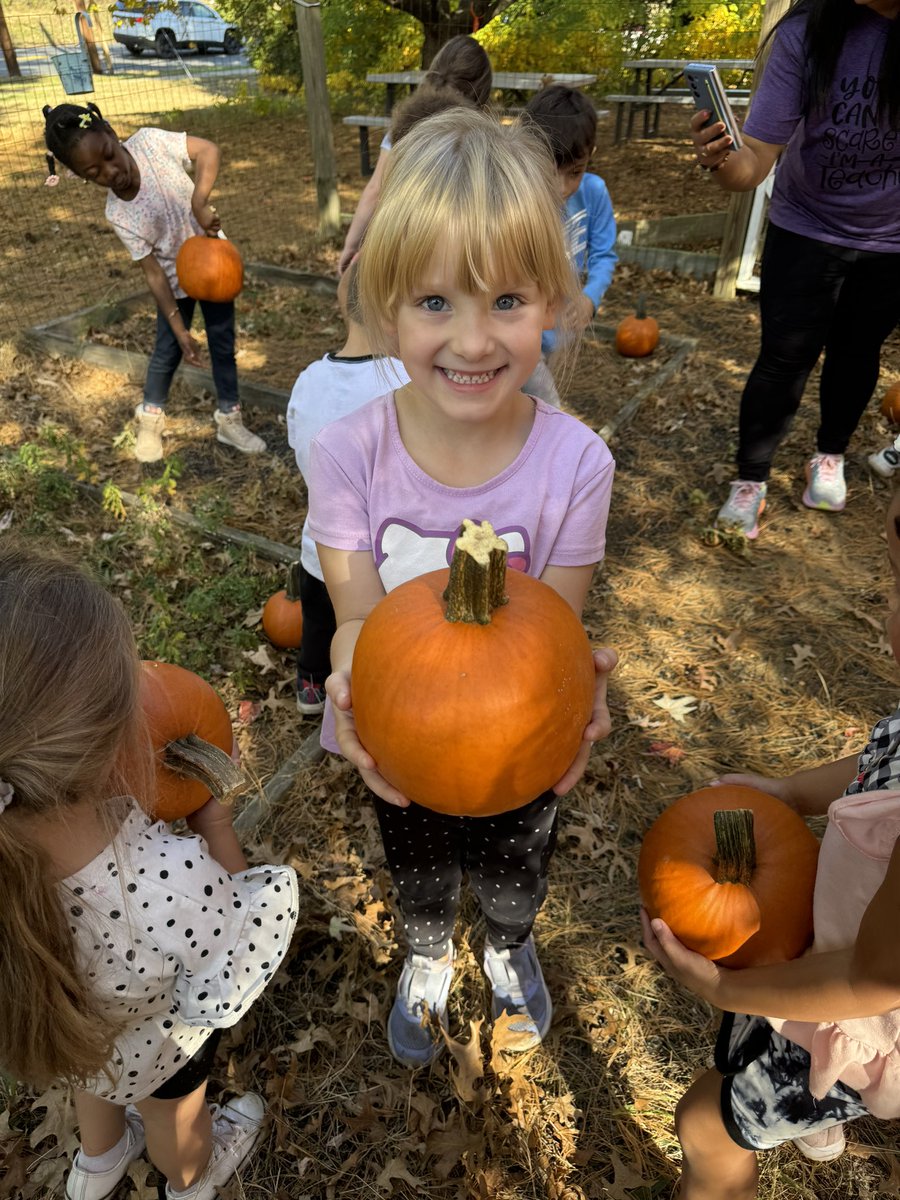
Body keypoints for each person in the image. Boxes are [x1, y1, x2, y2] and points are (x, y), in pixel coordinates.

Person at [307, 106, 618, 1069]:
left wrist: (578, 701)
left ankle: (511, 941)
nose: (473, 341)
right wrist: (354, 699)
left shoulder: (577, 463)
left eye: (509, 302)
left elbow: (554, 629)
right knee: (421, 865)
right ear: (388, 303)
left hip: (520, 739)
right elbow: (355, 613)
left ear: (556, 304)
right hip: (394, 732)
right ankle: (431, 950)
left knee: (518, 864)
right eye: (436, 303)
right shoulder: (348, 453)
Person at [0, 541, 299, 1200]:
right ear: (115, 747)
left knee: (93, 1081)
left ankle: (99, 1161)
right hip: (156, 1046)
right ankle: (192, 1178)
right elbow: (236, 943)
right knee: (175, 1107)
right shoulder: (168, 880)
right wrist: (214, 823)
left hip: (75, 1040)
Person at [642, 487, 900, 1198]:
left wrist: (724, 986)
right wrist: (789, 794)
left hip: (864, 1023)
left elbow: (868, 981)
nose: (890, 608)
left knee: (703, 1123)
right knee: (751, 1035)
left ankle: (818, 1099)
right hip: (824, 965)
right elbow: (877, 759)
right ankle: (814, 1121)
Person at [692, 0, 900, 539]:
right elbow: (755, 157)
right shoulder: (807, 32)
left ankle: (828, 455)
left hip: (890, 242)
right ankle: (751, 480)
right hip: (805, 228)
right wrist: (723, 159)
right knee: (783, 358)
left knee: (858, 354)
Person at [42, 102, 266, 464]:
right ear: (82, 178)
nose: (111, 172)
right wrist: (179, 327)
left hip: (214, 268)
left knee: (223, 346)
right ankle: (150, 417)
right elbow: (153, 273)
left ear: (113, 134)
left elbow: (208, 150)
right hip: (175, 287)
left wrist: (199, 200)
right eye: (95, 172)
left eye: (110, 156)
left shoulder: (151, 143)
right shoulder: (118, 213)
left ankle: (229, 417)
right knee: (168, 351)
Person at [286, 262, 409, 715]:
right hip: (388, 553)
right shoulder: (408, 383)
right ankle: (376, 691)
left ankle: (312, 685)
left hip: (320, 544)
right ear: (396, 310)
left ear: (344, 305)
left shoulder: (309, 379)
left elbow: (298, 442)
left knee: (318, 619)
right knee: (375, 627)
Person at [337, 35, 493, 275]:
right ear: (482, 89)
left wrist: (352, 243)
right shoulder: (484, 139)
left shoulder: (404, 124)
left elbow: (375, 189)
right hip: (455, 259)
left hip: (397, 245)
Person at [522, 84, 618, 405]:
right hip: (523, 331)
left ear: (590, 155)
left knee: (534, 407)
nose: (562, 187)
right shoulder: (518, 202)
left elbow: (604, 254)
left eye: (574, 172)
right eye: (551, 173)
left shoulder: (594, 192)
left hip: (561, 329)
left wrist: (591, 297)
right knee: (547, 407)